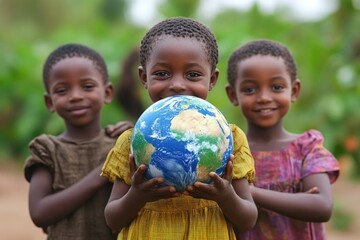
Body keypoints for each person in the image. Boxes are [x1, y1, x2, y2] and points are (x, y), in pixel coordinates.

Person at [101, 17, 258, 239]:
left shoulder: (228, 139)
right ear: (144, 77)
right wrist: (136, 195)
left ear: (212, 79)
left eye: (192, 74)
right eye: (162, 74)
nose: (177, 84)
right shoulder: (133, 141)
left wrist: (225, 196)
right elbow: (112, 220)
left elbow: (248, 219)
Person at [225, 39, 340, 239]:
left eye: (277, 87)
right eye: (250, 89)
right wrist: (298, 200)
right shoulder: (228, 151)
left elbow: (322, 206)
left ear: (294, 91)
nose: (264, 97)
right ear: (233, 95)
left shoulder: (307, 148)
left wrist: (250, 193)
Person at [24, 43, 133, 239]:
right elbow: (39, 213)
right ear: (49, 102)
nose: (75, 96)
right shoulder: (47, 150)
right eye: (62, 90)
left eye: (87, 86)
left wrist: (134, 138)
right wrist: (103, 170)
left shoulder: (119, 144)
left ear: (107, 92)